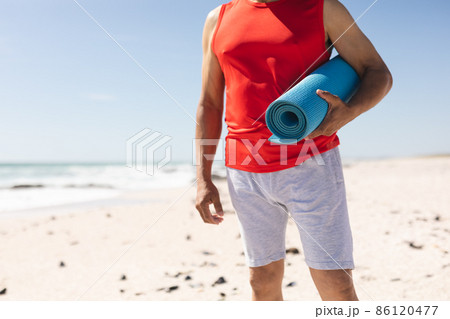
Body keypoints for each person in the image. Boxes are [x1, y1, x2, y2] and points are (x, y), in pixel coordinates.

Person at [195, 0, 392, 301]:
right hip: (244, 171)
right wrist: (203, 178)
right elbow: (209, 102)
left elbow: (377, 71)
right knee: (261, 281)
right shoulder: (218, 18)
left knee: (336, 283)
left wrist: (349, 112)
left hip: (312, 162)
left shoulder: (322, 8)